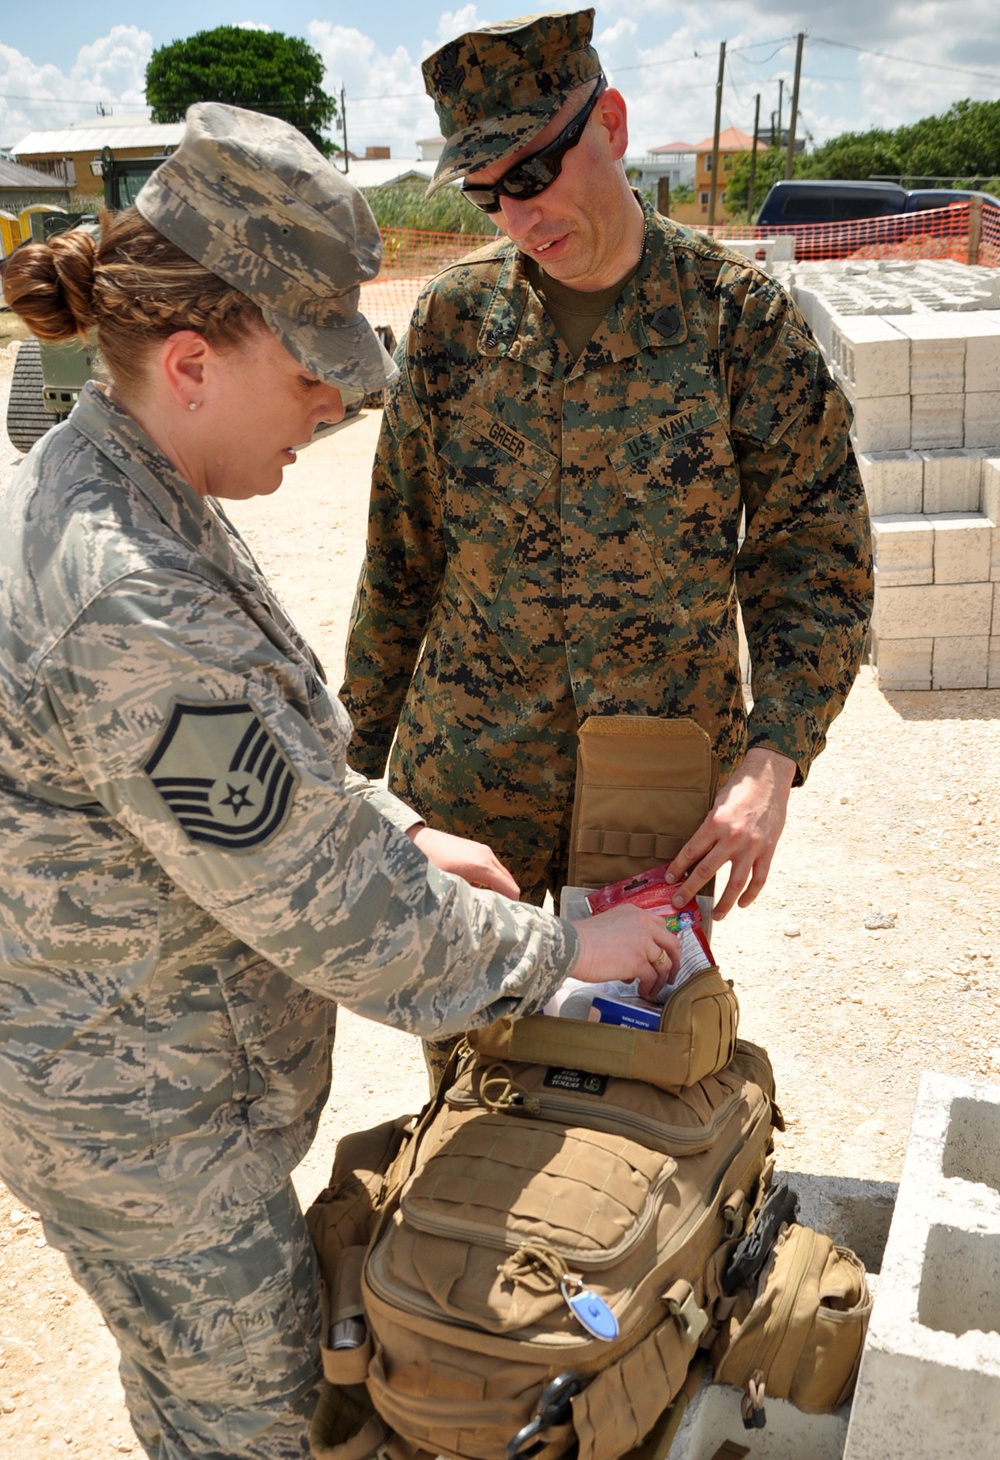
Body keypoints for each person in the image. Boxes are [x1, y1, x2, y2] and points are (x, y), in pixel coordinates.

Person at [0, 102, 679, 1460]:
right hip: (145, 1129)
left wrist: (402, 821)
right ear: (191, 361)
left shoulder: (134, 478)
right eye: (312, 375)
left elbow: (264, 767)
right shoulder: (129, 600)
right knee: (252, 1416)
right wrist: (561, 954)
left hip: (170, 1074)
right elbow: (332, 912)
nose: (338, 405)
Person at [341, 9, 873, 943]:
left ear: (613, 125)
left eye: (535, 173)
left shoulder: (737, 322)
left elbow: (814, 554)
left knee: (636, 1067)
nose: (518, 214)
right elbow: (400, 564)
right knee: (480, 1077)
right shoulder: (452, 324)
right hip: (473, 776)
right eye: (485, 192)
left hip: (655, 795)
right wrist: (351, 784)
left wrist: (775, 755)